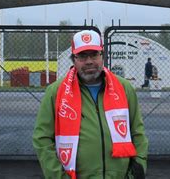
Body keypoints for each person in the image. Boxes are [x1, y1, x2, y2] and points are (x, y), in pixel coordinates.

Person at [33, 30, 148, 179]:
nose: (89, 61)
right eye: (82, 56)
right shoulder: (55, 92)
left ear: (102, 56)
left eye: (94, 54)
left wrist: (139, 166)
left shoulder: (124, 88)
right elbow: (42, 139)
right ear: (74, 59)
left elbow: (137, 133)